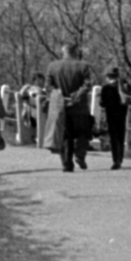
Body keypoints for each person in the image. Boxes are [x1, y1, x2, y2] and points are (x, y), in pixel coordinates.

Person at [46, 44, 97, 172]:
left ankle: (66, 164)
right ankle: (79, 154)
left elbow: (48, 86)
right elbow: (87, 85)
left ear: (63, 52)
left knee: (64, 135)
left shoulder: (52, 66)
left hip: (59, 106)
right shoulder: (83, 66)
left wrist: (59, 96)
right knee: (83, 132)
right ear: (75, 52)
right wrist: (76, 96)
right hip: (79, 106)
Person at [98, 66, 131, 169]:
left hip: (111, 115)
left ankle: (116, 160)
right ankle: (120, 158)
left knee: (114, 138)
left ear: (108, 76)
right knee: (121, 136)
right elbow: (130, 98)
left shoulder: (106, 88)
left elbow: (101, 103)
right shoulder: (125, 85)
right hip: (122, 114)